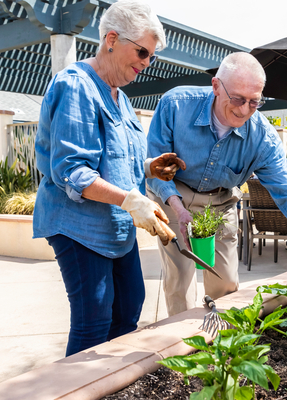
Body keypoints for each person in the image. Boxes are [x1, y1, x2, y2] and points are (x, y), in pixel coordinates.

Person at [145, 52, 287, 317]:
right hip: (174, 196)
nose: (244, 110)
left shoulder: (262, 137)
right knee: (179, 282)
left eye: (254, 102)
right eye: (238, 99)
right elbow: (156, 169)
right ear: (216, 86)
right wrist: (177, 206)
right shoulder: (176, 105)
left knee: (226, 285)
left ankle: (221, 347)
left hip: (220, 204)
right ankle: (186, 349)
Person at [33, 0, 185, 356]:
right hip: (78, 226)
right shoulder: (75, 85)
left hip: (115, 226)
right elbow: (72, 171)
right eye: (143, 52)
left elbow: (113, 160)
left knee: (129, 307)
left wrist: (148, 168)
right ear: (112, 39)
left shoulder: (122, 98)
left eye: (151, 57)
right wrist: (132, 201)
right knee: (94, 321)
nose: (146, 63)